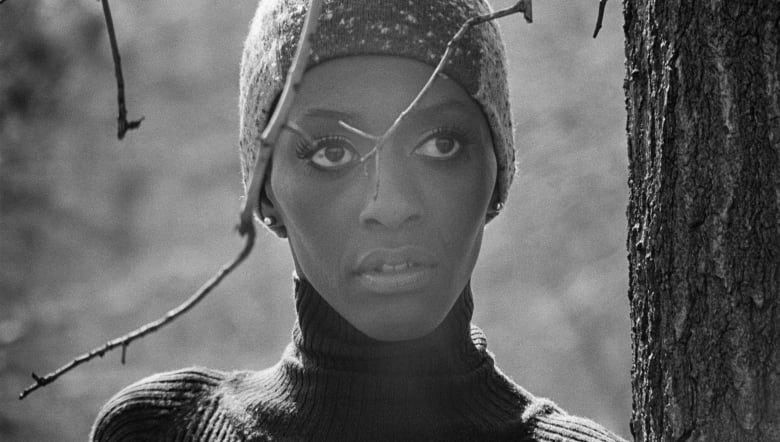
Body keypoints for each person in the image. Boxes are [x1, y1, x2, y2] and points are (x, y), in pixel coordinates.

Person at [92, 0, 626, 440]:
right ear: (267, 195)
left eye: (440, 145)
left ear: (497, 177)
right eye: (331, 153)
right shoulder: (161, 432)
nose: (389, 205)